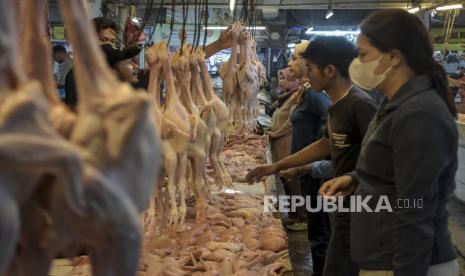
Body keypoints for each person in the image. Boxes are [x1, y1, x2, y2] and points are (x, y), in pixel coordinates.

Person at [320, 9, 459, 276]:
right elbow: (393, 170)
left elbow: (415, 211)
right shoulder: (392, 103)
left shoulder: (419, 113)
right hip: (382, 258)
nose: (356, 64)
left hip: (406, 264)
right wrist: (355, 178)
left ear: (393, 57)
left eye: (362, 55)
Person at [245, 36, 377, 276]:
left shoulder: (360, 105)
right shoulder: (337, 104)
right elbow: (324, 144)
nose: (307, 75)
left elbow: (381, 162)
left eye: (311, 69)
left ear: (329, 71)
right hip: (340, 203)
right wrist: (275, 167)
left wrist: (350, 179)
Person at [268, 67, 305, 226]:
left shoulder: (296, 98)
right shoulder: (285, 97)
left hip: (287, 144)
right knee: (286, 180)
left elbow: (291, 123)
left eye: (286, 79)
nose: (281, 82)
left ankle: (302, 218)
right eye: (281, 78)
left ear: (296, 81)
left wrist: (276, 133)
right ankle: (292, 215)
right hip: (280, 144)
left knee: (293, 181)